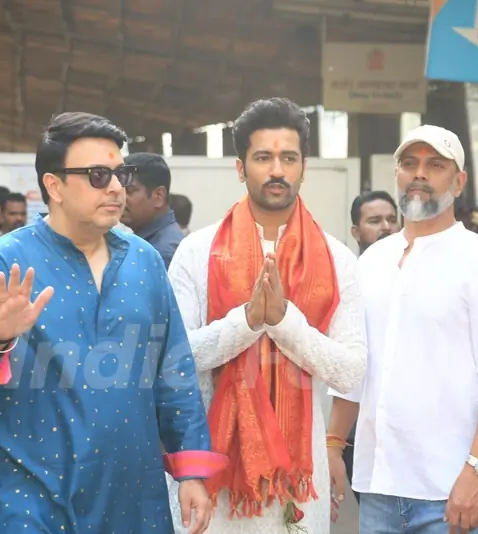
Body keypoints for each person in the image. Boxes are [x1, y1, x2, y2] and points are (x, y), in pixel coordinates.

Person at [0, 112, 226, 534]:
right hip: (26, 486)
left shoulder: (144, 262)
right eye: (100, 175)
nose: (117, 188)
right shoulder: (2, 260)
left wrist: (191, 470)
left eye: (122, 174)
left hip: (129, 490)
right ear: (54, 186)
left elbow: (173, 370)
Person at [167, 97, 367, 534]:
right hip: (211, 480)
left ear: (303, 166)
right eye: (263, 157)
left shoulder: (336, 261)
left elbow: (351, 372)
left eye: (288, 158)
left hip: (297, 486)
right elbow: (176, 358)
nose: (277, 169)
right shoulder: (197, 253)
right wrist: (248, 321)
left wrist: (284, 322)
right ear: (241, 169)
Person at [328, 124, 478, 534]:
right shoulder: (370, 264)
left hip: (453, 489)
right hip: (378, 488)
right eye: (409, 164)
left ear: (458, 182)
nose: (419, 173)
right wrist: (333, 443)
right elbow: (354, 364)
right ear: (397, 175)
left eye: (435, 165)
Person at [335, 190, 399, 508]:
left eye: (391, 219)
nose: (386, 226)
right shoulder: (347, 280)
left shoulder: (412, 279)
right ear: (356, 232)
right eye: (375, 221)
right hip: (358, 423)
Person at [121, 153, 185, 267]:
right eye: (119, 191)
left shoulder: (162, 252)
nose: (120, 198)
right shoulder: (145, 242)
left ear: (159, 196)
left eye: (129, 191)